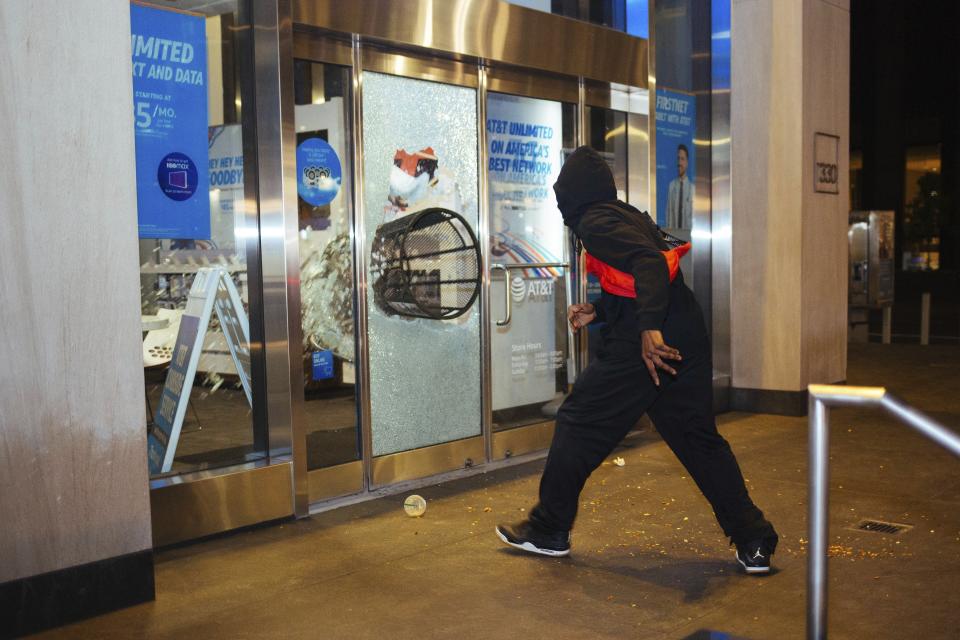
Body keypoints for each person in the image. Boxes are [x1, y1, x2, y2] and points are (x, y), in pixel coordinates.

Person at [496, 146, 778, 574]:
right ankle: (754, 538)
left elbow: (648, 264)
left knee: (578, 421)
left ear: (571, 195)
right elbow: (636, 277)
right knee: (697, 439)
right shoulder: (626, 214)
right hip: (684, 330)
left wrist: (647, 329)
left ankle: (549, 528)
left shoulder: (595, 222)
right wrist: (602, 310)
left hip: (647, 344)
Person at [666, 143, 693, 229]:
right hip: (675, 239)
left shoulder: (693, 190)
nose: (679, 162)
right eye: (678, 158)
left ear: (687, 162)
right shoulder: (671, 186)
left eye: (682, 159)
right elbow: (669, 215)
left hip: (689, 239)